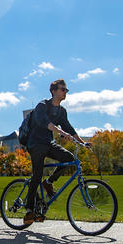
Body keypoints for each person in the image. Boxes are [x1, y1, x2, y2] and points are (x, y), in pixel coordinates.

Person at [24, 79, 88, 224]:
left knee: (68, 158)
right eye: (62, 89)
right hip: (35, 144)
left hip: (48, 143)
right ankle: (29, 210)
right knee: (37, 173)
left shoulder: (61, 111)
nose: (65, 92)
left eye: (66, 90)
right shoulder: (42, 105)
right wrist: (60, 132)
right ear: (53, 91)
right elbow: (44, 122)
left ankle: (49, 182)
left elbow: (69, 128)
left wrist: (83, 143)